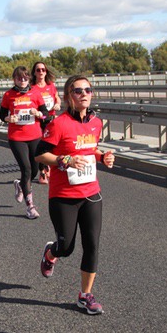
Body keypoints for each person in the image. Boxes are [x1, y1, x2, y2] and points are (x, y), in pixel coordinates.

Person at [35, 75, 115, 315]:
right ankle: (51, 253)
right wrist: (64, 160)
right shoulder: (59, 124)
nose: (84, 94)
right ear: (69, 96)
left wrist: (103, 157)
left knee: (92, 245)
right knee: (66, 247)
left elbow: (90, 149)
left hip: (91, 193)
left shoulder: (96, 122)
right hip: (63, 196)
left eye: (88, 90)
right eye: (78, 90)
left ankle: (85, 295)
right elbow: (40, 154)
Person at [0, 66, 49, 219]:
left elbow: (46, 114)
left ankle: (20, 184)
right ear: (14, 79)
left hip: (35, 136)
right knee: (26, 169)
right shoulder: (8, 95)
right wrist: (8, 118)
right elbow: (2, 115)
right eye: (19, 78)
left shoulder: (36, 93)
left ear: (29, 78)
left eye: (25, 78)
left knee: (34, 170)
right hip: (17, 138)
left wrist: (38, 113)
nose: (22, 80)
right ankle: (30, 207)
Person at [31, 61, 61, 184]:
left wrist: (58, 104)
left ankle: (49, 167)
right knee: (41, 146)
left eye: (43, 69)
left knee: (52, 145)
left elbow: (57, 98)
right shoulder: (32, 87)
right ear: (34, 72)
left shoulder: (51, 86)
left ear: (46, 71)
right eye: (38, 70)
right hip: (39, 120)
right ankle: (42, 171)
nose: (41, 72)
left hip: (51, 119)